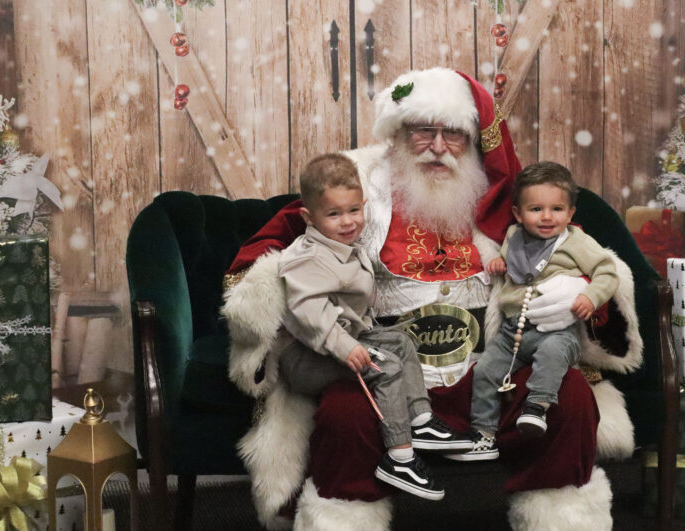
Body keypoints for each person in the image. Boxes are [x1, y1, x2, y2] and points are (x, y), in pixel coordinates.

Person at [222, 68, 642, 530]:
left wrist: (577, 286)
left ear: (475, 139)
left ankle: (562, 523)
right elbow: (269, 249)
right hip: (387, 370)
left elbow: (582, 251)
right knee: (345, 414)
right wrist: (274, 301)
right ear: (399, 133)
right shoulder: (358, 187)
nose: (439, 146)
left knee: (571, 395)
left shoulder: (507, 195)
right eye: (425, 131)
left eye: (454, 135)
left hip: (492, 365)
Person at [276, 153, 472, 500]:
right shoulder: (308, 257)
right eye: (333, 214)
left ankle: (421, 419)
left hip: (339, 339)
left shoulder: (344, 246)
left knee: (400, 341)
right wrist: (345, 347)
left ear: (363, 205)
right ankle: (400, 455)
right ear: (308, 216)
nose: (348, 222)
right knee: (386, 365)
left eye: (354, 210)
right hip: (305, 357)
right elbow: (308, 310)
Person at [454, 162, 619, 461]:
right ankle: (483, 434)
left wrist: (590, 297)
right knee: (486, 371)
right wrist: (499, 265)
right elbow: (516, 267)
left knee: (552, 355)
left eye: (556, 209)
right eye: (535, 209)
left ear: (570, 214)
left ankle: (537, 407)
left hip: (558, 330)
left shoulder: (575, 242)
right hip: (513, 331)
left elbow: (607, 272)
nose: (546, 217)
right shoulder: (514, 236)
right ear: (518, 213)